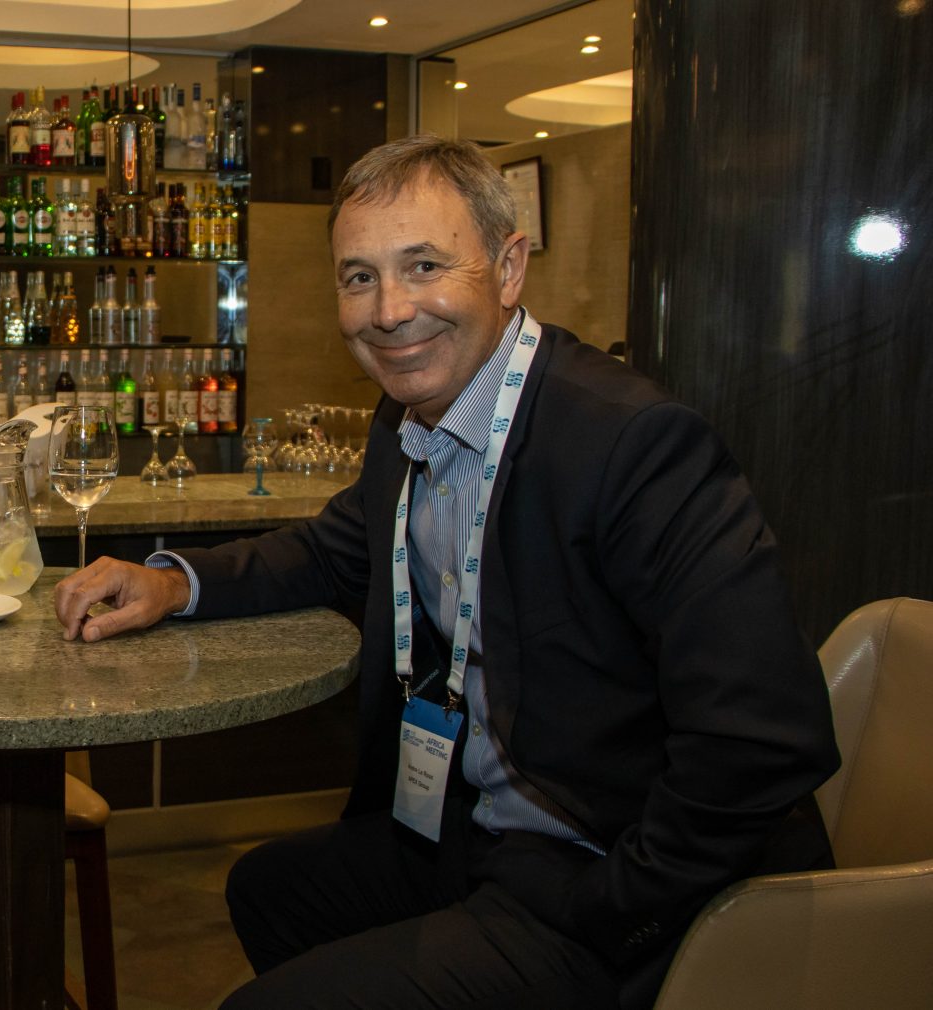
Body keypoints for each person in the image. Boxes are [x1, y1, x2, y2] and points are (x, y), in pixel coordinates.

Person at [53, 135, 840, 1010]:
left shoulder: (630, 444)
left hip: (611, 867)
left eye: (424, 266)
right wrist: (173, 583)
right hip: (479, 830)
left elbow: (763, 741)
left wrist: (613, 906)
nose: (389, 311)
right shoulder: (408, 419)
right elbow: (330, 548)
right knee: (272, 890)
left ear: (509, 269)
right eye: (359, 277)